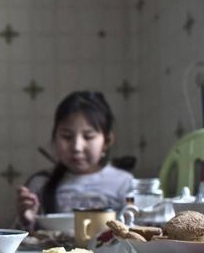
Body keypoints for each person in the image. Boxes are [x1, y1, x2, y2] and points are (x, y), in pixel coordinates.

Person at [15, 91, 133, 231]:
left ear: (107, 141)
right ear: (55, 137)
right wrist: (26, 220)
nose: (77, 147)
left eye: (88, 137)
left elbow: (133, 234)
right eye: (67, 136)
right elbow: (20, 242)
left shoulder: (124, 184)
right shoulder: (40, 184)